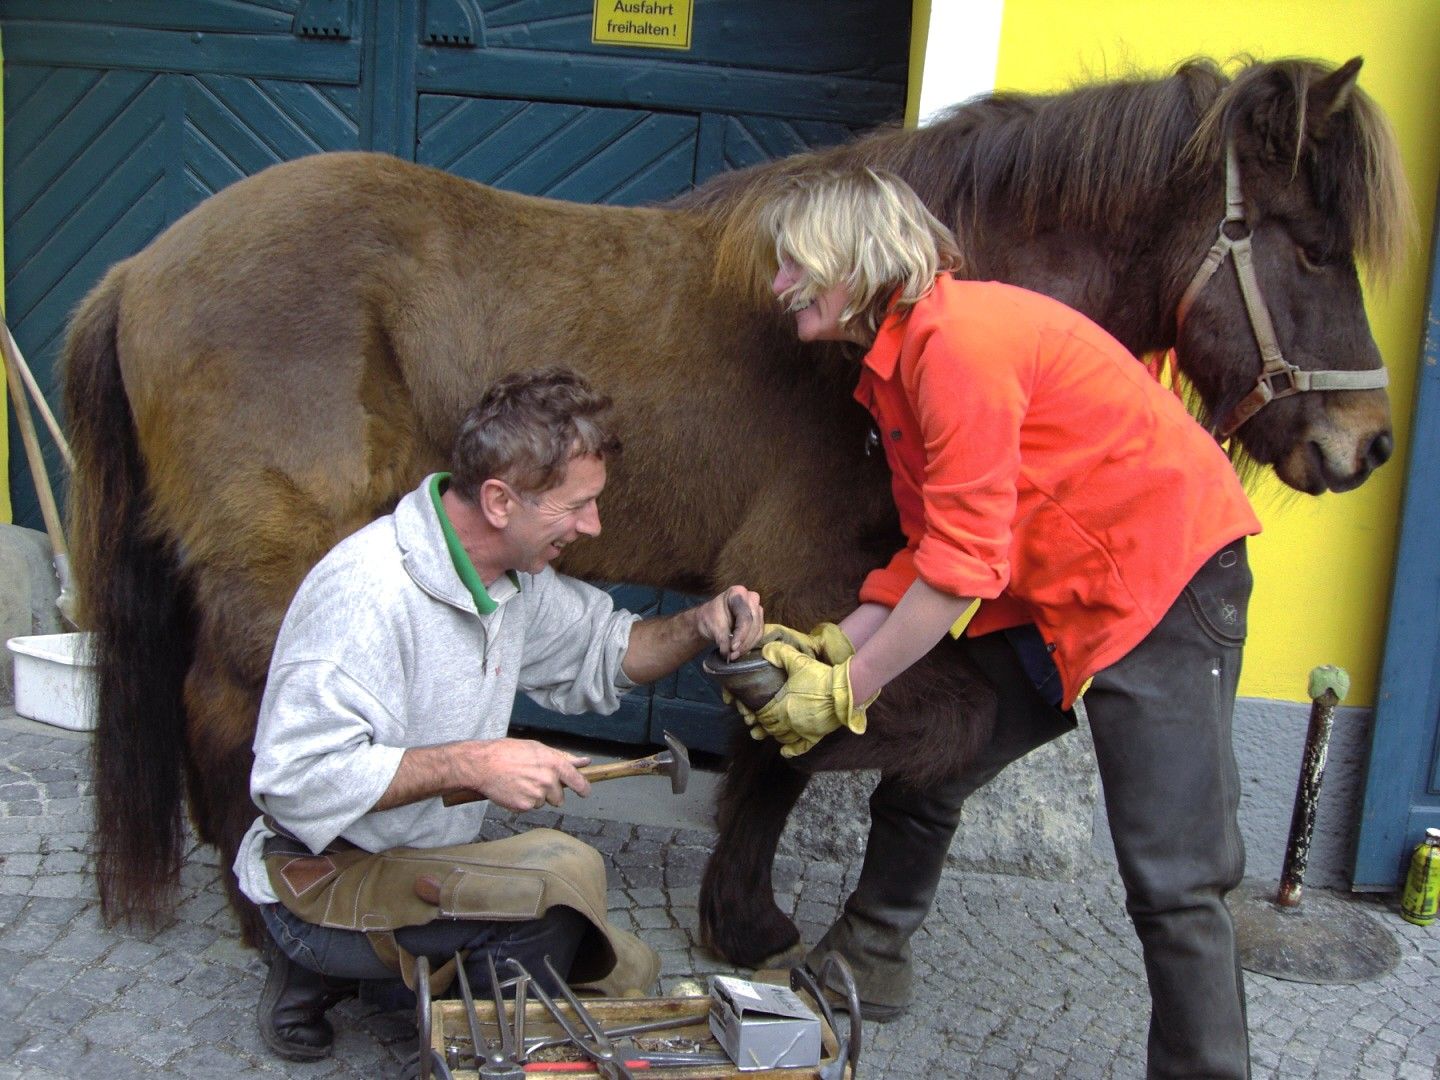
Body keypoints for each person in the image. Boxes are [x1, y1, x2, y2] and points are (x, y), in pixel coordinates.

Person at [742, 166, 1262, 1079]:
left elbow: (960, 574)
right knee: (934, 757)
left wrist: (846, 691)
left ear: (854, 266)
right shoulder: (898, 364)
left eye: (795, 265)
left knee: (1177, 881)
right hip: (1059, 594)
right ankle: (872, 956)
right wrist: (836, 645)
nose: (779, 284)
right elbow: (934, 547)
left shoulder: (958, 347)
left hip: (1166, 582)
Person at [232, 366, 763, 1062]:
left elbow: (608, 649)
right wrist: (473, 763)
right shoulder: (365, 595)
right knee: (553, 899)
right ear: (500, 500)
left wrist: (699, 623)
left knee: (619, 959)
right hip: (322, 875)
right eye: (576, 506)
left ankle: (414, 975)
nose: (593, 526)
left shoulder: (510, 579)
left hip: (419, 856)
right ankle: (358, 989)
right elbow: (294, 779)